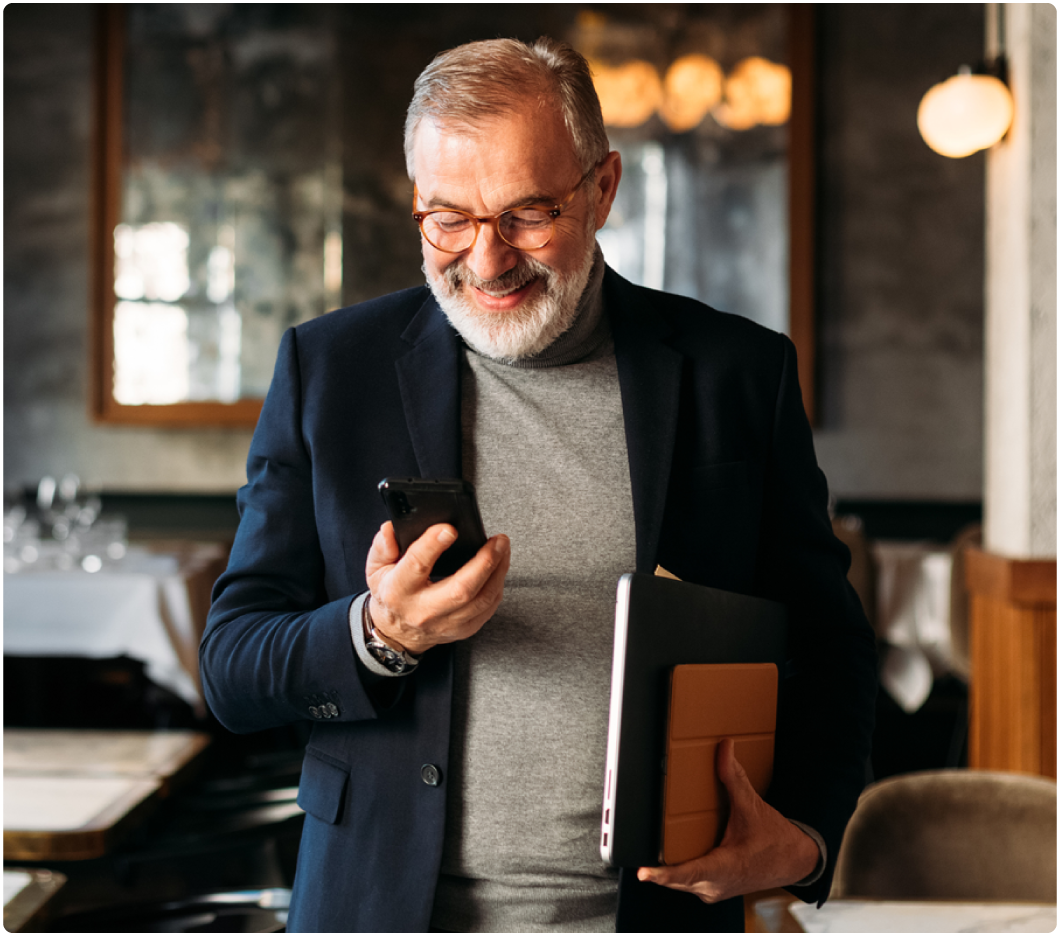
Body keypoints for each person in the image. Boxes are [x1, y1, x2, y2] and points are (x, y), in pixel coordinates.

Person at [201, 36, 876, 934]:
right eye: (448, 218)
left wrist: (804, 842)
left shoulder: (736, 374)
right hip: (376, 910)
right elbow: (234, 666)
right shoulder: (330, 370)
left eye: (526, 214)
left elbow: (830, 650)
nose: (486, 262)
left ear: (602, 189)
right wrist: (380, 633)